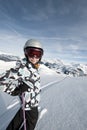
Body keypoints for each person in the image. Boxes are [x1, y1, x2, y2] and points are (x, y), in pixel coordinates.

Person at [0, 39, 44, 130]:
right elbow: (1, 81)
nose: (34, 57)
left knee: (19, 119)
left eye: (38, 54)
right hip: (30, 104)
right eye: (31, 53)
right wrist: (16, 90)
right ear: (26, 53)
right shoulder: (22, 68)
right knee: (30, 124)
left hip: (29, 101)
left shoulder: (33, 66)